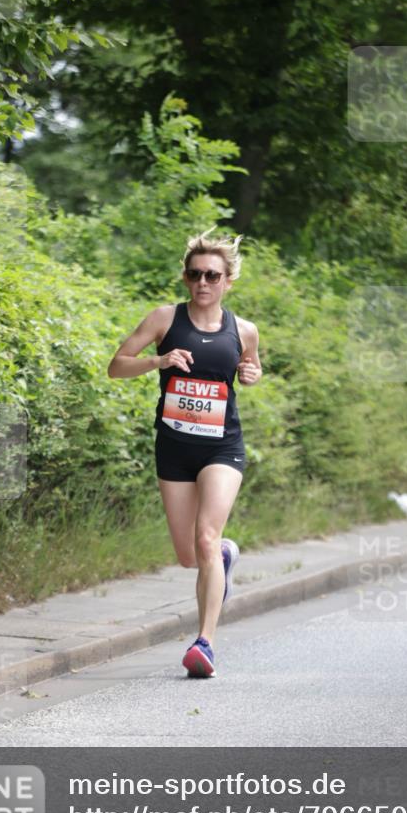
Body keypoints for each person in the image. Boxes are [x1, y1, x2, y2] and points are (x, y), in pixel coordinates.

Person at [107, 227, 262, 678]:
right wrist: (158, 360)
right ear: (185, 277)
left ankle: (205, 644)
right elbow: (116, 367)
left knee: (206, 538)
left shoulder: (244, 329)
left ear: (228, 280)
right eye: (195, 274)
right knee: (189, 556)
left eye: (213, 275)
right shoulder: (163, 319)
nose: (203, 283)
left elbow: (251, 370)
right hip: (174, 448)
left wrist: (251, 376)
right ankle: (224, 560)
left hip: (223, 448)